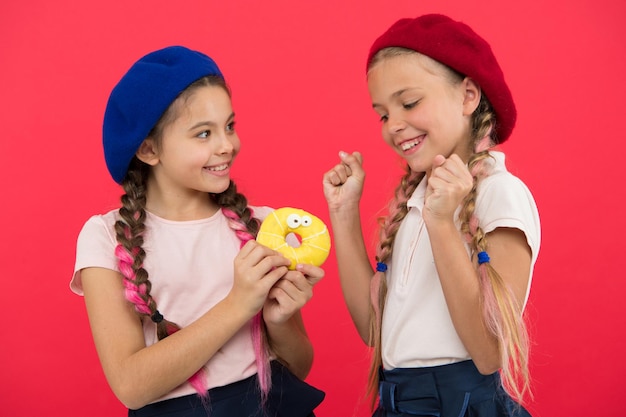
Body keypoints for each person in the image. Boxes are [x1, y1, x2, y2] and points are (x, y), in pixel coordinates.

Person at [70, 46, 325, 417]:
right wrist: (239, 304)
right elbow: (131, 386)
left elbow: (299, 367)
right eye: (203, 134)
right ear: (148, 148)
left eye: (230, 126)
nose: (227, 145)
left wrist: (278, 320)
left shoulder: (261, 226)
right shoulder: (106, 237)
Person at [323, 14, 540, 417]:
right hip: (398, 405)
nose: (394, 126)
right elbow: (374, 330)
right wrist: (343, 212)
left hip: (458, 406)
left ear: (468, 96)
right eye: (383, 114)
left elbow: (488, 353)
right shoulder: (416, 200)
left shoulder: (501, 194)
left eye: (409, 103)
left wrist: (441, 223)